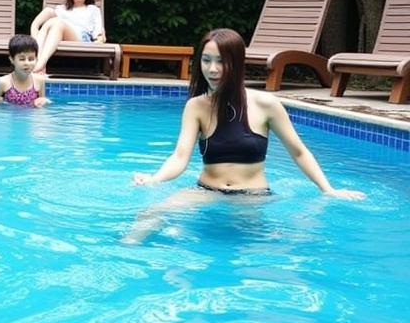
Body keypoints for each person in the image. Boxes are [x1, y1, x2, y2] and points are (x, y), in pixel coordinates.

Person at [127, 27, 364, 241]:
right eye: (206, 60)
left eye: (221, 61)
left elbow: (299, 153)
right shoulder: (196, 106)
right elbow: (180, 157)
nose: (212, 69)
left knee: (259, 242)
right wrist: (154, 178)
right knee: (150, 214)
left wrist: (328, 190)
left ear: (238, 63)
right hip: (206, 191)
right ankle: (128, 252)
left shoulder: (266, 104)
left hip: (252, 197)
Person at [31, 0, 106, 74]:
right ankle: (40, 64)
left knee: (57, 22)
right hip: (61, 33)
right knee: (50, 16)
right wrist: (35, 31)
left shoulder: (93, 9)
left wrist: (100, 38)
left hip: (82, 38)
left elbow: (99, 33)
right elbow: (42, 25)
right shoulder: (61, 9)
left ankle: (38, 64)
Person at [0, 34, 51, 107]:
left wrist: (43, 101)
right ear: (12, 60)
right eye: (22, 59)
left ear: (36, 59)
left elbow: (42, 103)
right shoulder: (4, 82)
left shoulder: (39, 81)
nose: (27, 63)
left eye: (31, 59)